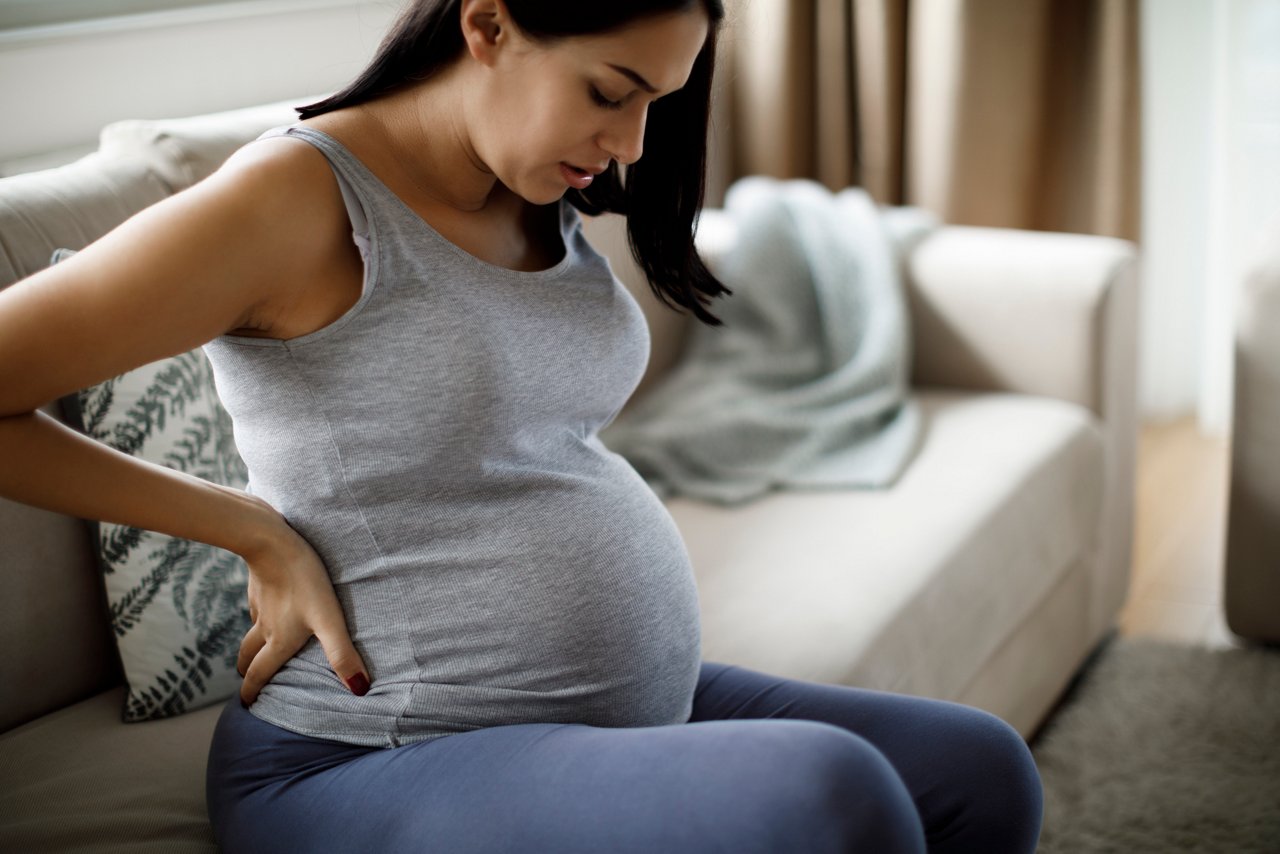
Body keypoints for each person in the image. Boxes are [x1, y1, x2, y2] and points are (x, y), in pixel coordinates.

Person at [0, 0, 1044, 850]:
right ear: (488, 25)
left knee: (977, 771)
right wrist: (248, 525)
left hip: (587, 712)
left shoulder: (530, 181)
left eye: (654, 104)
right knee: (830, 792)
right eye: (608, 93)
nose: (630, 142)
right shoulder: (296, 200)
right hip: (370, 751)